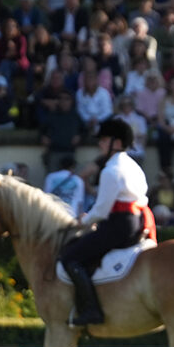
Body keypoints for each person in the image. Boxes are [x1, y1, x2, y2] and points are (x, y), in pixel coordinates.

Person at [57, 117, 155, 326]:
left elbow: (101, 210)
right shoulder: (133, 165)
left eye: (103, 139)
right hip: (136, 221)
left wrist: (84, 221)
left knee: (70, 258)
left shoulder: (111, 171)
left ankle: (91, 310)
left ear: (117, 143)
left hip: (118, 224)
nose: (99, 144)